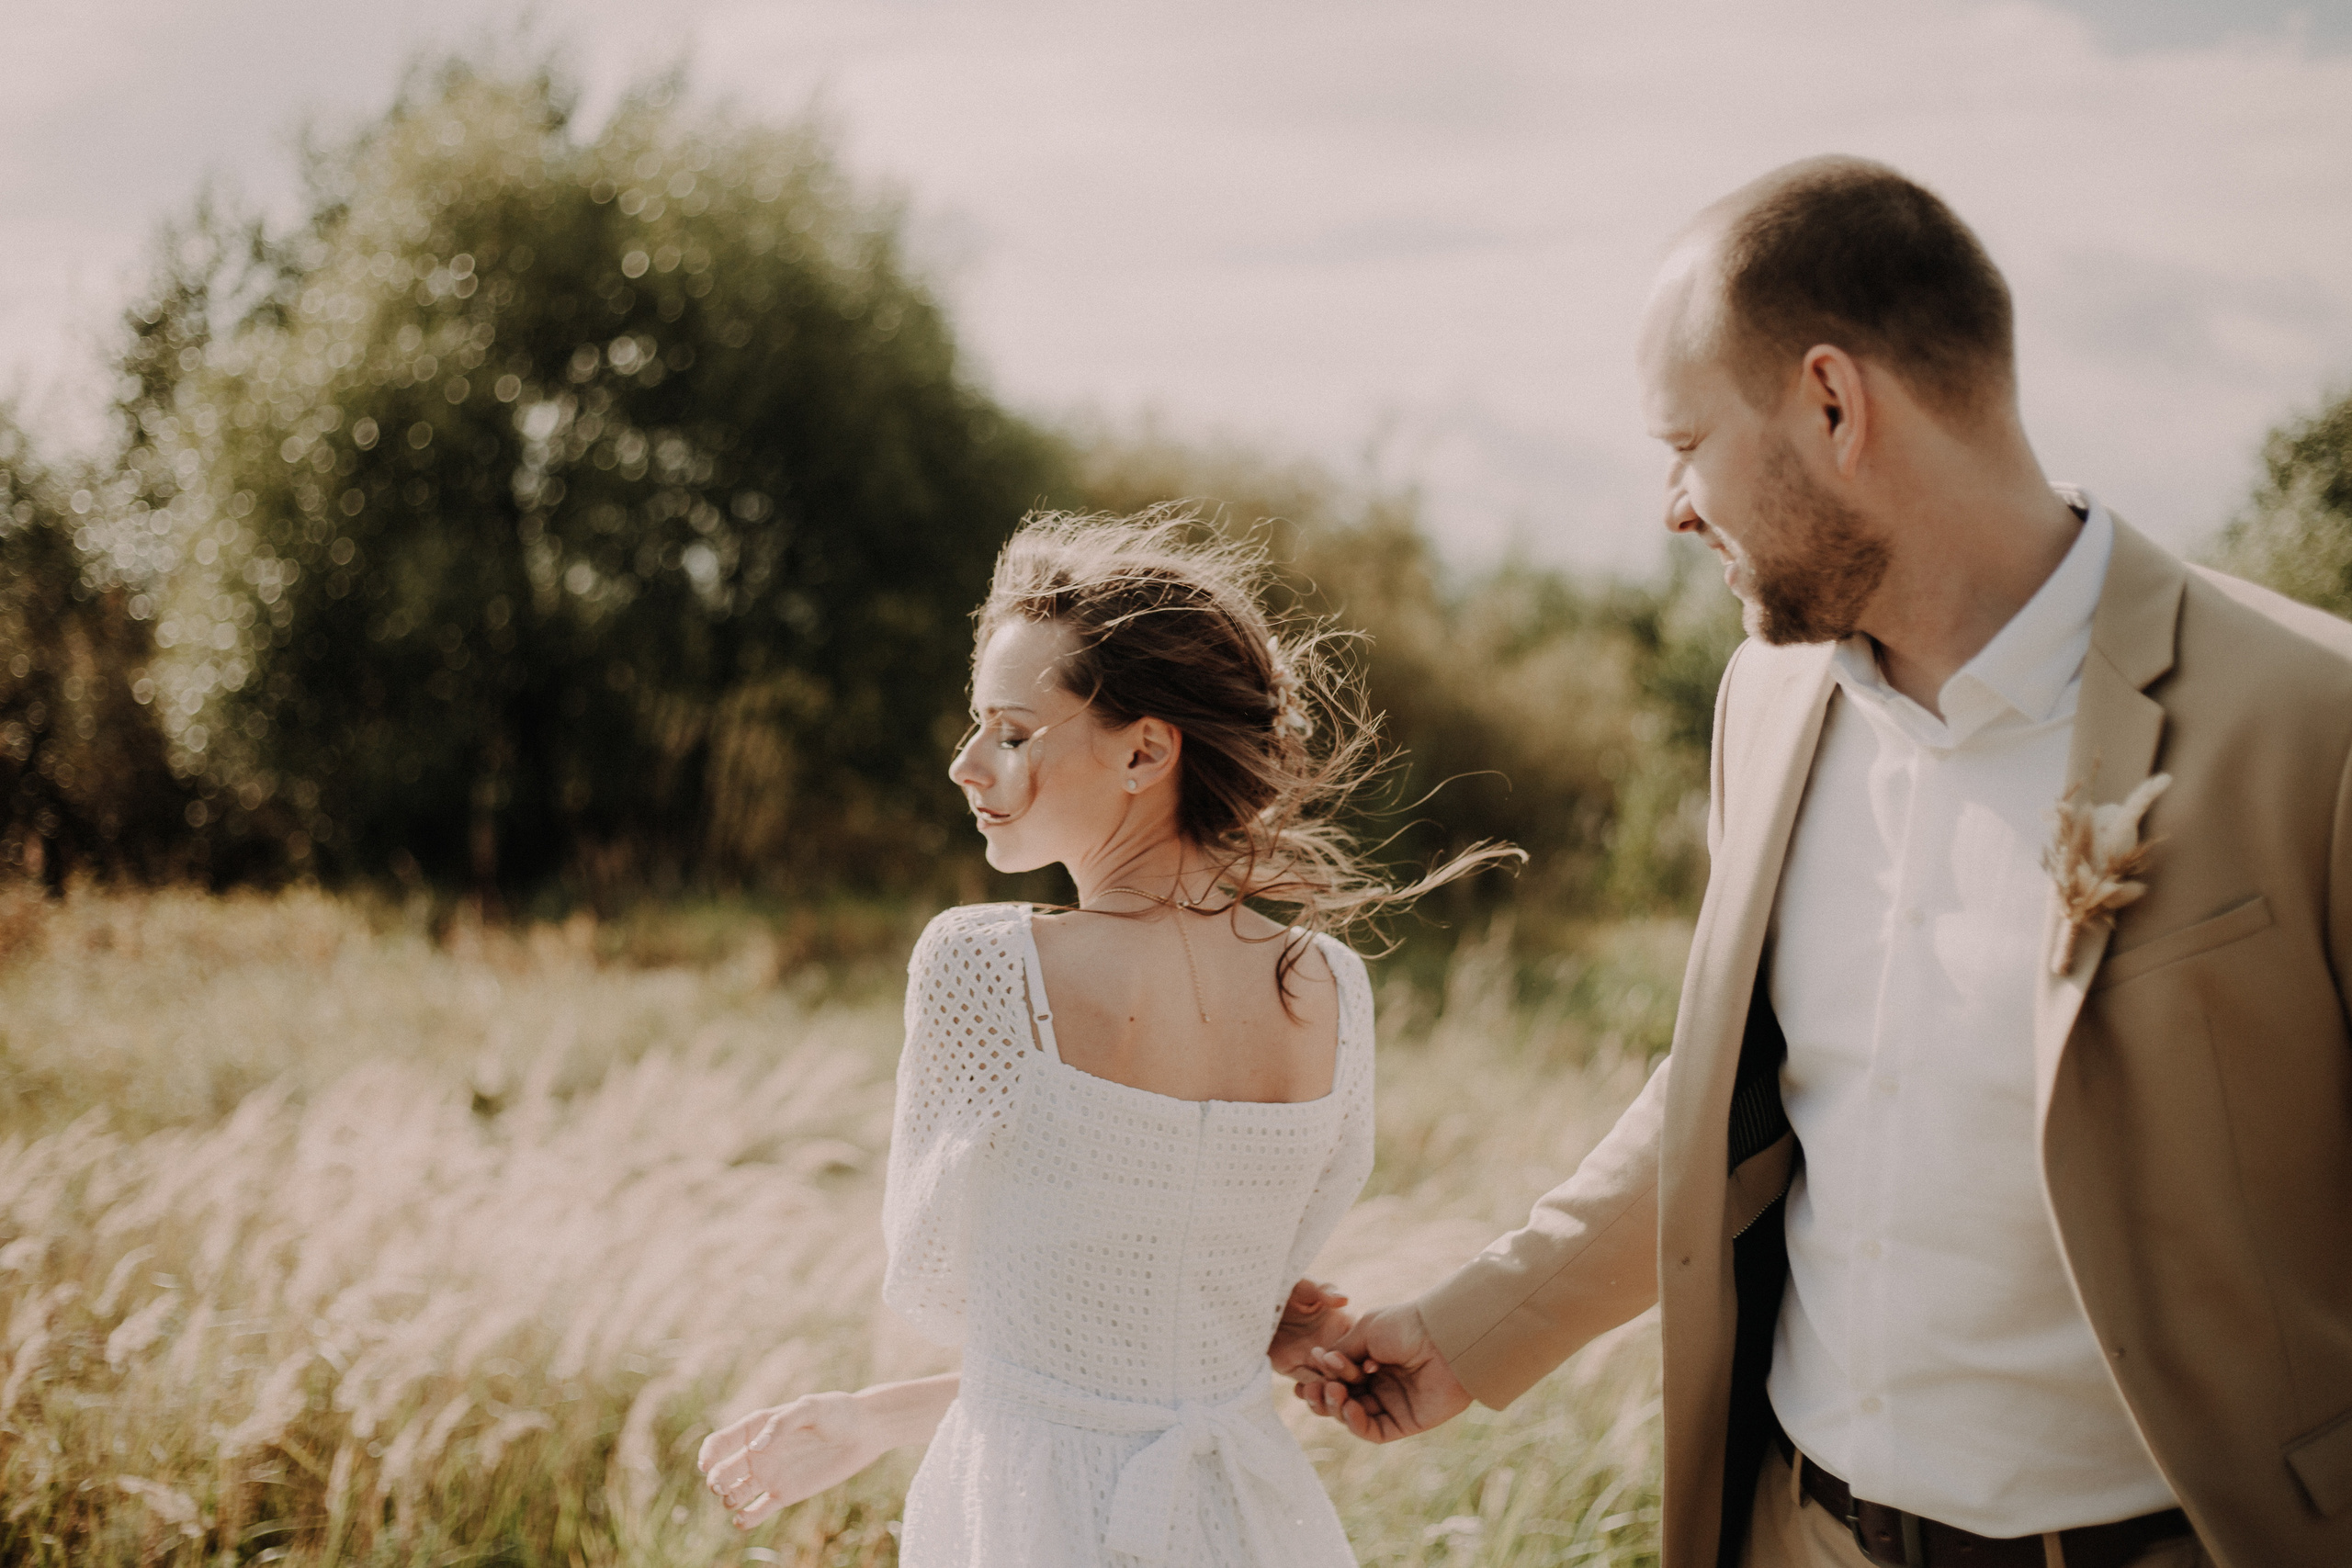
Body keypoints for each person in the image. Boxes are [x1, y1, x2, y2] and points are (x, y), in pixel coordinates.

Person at [1295, 157, 2352, 1568]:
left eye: (1686, 441)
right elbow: (1738, 1087)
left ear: (1834, 405)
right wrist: (1475, 1325)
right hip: (1806, 1535)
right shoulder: (1767, 699)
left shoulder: (2313, 728)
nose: (1674, 505)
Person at [695, 513, 1516, 1565]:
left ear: (1144, 750)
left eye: (1011, 730)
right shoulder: (1331, 990)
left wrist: (878, 1412)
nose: (964, 765)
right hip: (1249, 1516)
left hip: (1036, 1518)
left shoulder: (985, 967)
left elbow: (966, 1299)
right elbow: (1153, 1353)